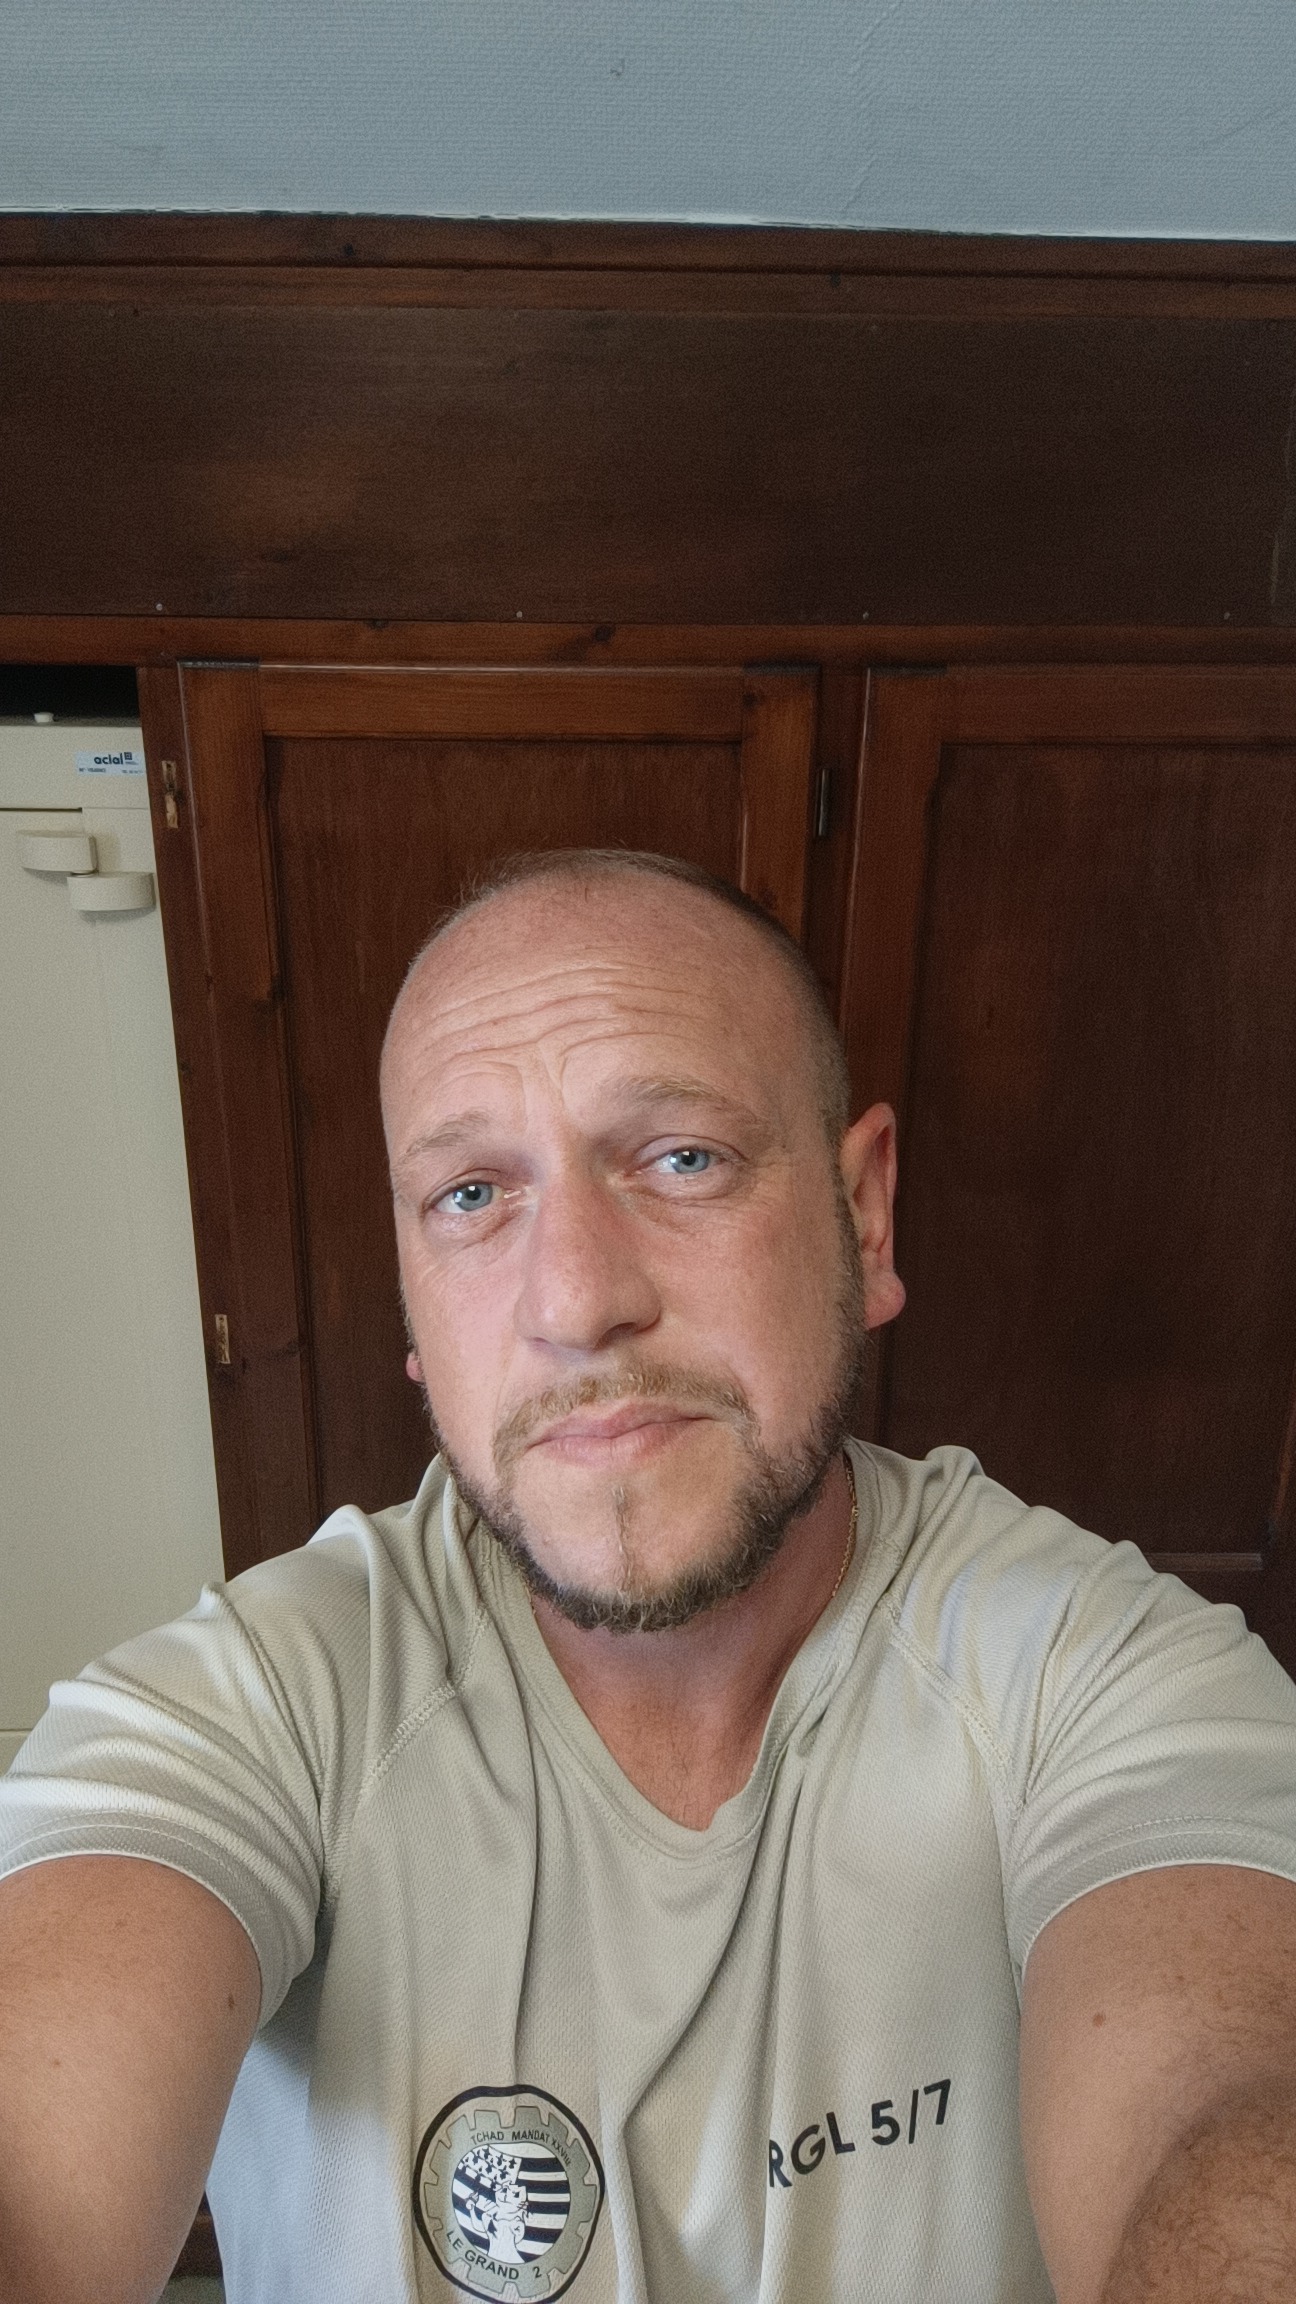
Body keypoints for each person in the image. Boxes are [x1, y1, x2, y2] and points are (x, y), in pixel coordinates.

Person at [2, 848, 1295, 2304]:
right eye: (473, 1194)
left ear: (864, 1217)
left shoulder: (1106, 1680)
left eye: (684, 1159)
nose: (576, 1301)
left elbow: (1227, 2119)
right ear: (415, 1306)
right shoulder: (246, 1714)